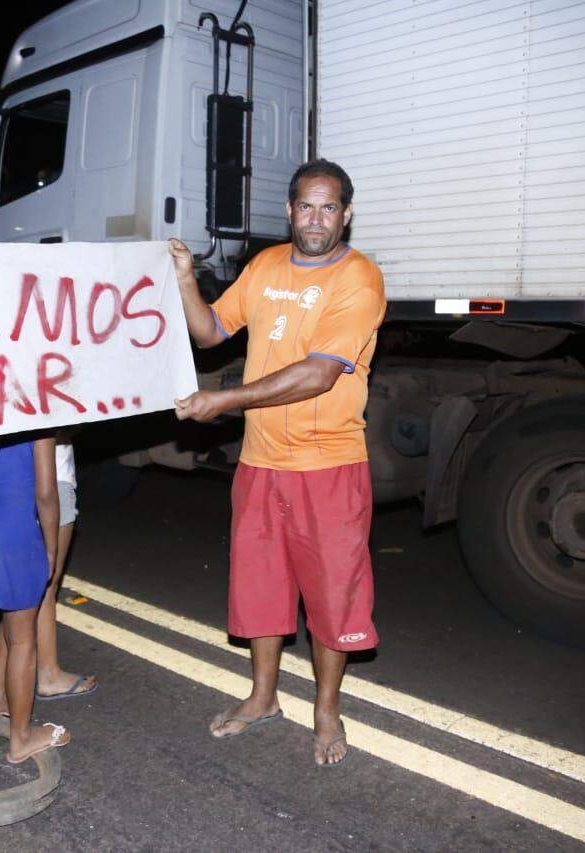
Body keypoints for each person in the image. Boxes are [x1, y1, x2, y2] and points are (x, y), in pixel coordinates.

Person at [169, 159, 385, 765]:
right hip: (261, 462)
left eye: (328, 208)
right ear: (289, 211)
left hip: (328, 464)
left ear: (345, 214)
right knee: (261, 587)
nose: (315, 219)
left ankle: (326, 709)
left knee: (331, 595)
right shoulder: (263, 267)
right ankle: (263, 696)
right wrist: (187, 279)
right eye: (305, 207)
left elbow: (318, 374)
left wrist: (225, 400)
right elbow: (211, 331)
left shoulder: (359, 279)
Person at [0, 435, 71, 764]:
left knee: (12, 618)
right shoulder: (37, 426)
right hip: (14, 534)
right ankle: (21, 738)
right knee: (24, 639)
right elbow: (47, 494)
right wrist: (50, 546)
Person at [34, 437, 95, 700]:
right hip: (52, 478)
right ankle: (48, 674)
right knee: (45, 586)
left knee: (19, 592)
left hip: (11, 481)